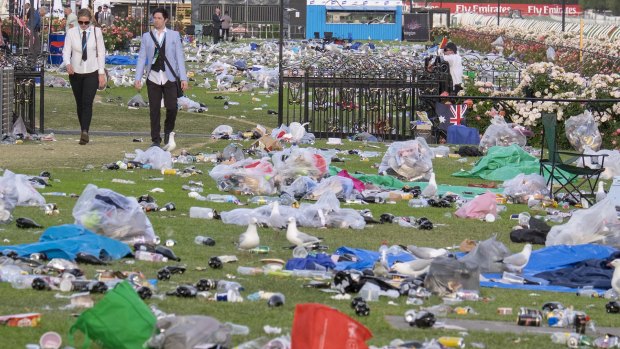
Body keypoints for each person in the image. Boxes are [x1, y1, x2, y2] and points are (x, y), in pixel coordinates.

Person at [134, 7, 188, 148]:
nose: (156, 21)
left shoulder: (174, 35)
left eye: (159, 18)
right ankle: (155, 140)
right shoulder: (147, 36)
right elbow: (142, 58)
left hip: (169, 76)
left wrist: (183, 78)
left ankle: (168, 132)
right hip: (153, 77)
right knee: (154, 109)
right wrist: (137, 78)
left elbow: (179, 57)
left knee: (172, 107)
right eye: (154, 18)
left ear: (165, 20)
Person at [62, 8, 106, 145]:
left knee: (87, 102)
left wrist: (101, 73)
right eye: (81, 22)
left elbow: (101, 52)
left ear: (90, 21)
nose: (83, 25)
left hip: (92, 71)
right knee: (80, 103)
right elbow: (66, 51)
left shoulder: (96, 32)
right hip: (75, 72)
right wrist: (67, 64)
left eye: (86, 22)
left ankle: (85, 131)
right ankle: (83, 129)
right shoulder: (71, 33)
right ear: (77, 21)